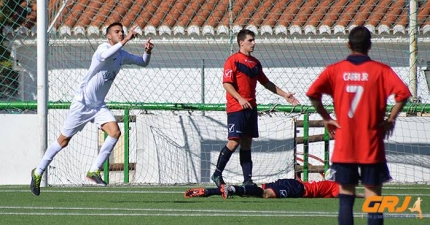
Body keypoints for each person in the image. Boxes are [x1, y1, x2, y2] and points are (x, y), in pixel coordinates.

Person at [30, 22, 154, 196]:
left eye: (122, 32)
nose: (121, 33)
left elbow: (142, 62)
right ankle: (38, 172)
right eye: (117, 32)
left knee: (115, 132)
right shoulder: (102, 49)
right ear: (108, 36)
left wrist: (147, 52)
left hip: (98, 105)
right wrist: (126, 39)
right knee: (63, 141)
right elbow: (106, 55)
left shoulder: (122, 55)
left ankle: (93, 171)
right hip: (82, 104)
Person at [306, 26, 411, 225]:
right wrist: (391, 119)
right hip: (371, 143)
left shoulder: (334, 70)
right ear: (369, 45)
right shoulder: (381, 71)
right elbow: (403, 94)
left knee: (346, 196)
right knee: (373, 197)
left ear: (348, 44)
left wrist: (327, 118)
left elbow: (312, 94)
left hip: (345, 144)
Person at [211, 29, 299, 188]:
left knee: (247, 143)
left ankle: (248, 180)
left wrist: (285, 95)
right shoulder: (233, 61)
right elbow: (226, 83)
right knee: (233, 142)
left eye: (254, 40)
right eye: (250, 40)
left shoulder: (255, 63)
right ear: (241, 42)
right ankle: (217, 174)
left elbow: (266, 83)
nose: (253, 43)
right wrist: (240, 98)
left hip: (251, 109)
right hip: (236, 108)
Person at [184, 178, 340, 199]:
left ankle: (209, 192)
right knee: (265, 194)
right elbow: (347, 193)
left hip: (292, 182)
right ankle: (232, 189)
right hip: (298, 189)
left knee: (256, 190)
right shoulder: (336, 186)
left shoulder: (330, 182)